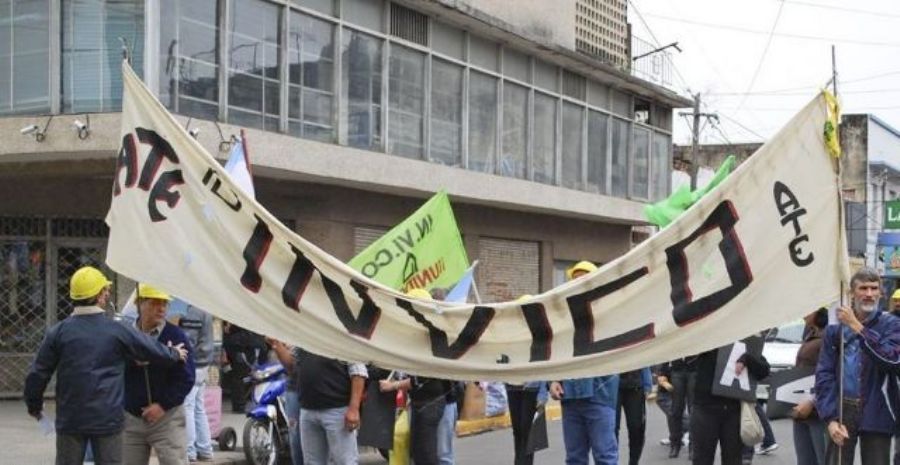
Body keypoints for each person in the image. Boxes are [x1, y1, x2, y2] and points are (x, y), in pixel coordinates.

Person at [23, 266, 188, 465]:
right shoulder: (116, 330)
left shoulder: (58, 332)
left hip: (70, 419)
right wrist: (174, 353)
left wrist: (34, 405)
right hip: (108, 419)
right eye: (105, 290)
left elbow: (38, 374)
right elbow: (149, 348)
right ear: (101, 296)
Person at [816, 267, 900, 465]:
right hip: (843, 408)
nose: (869, 294)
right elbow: (824, 374)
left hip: (878, 407)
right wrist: (830, 418)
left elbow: (893, 361)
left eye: (874, 288)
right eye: (863, 288)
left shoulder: (891, 324)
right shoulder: (835, 329)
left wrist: (857, 327)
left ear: (881, 293)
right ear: (852, 293)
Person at [549, 260, 619, 465]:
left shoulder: (610, 314)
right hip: (570, 397)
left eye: (584, 280)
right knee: (574, 459)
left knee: (605, 457)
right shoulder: (564, 319)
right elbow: (555, 352)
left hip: (600, 395)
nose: (578, 284)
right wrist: (553, 381)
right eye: (575, 280)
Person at [122, 284, 195, 465]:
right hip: (131, 417)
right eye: (155, 303)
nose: (161, 308)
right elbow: (112, 365)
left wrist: (163, 405)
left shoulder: (175, 335)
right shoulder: (126, 334)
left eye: (164, 303)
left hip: (167, 418)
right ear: (140, 304)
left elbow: (187, 378)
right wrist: (132, 360)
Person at [379, 288, 454, 465]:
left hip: (432, 401)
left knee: (428, 455)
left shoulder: (433, 336)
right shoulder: (420, 335)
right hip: (421, 401)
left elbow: (425, 377)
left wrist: (394, 386)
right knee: (419, 453)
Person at [690, 342, 770, 465]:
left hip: (733, 410)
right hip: (705, 408)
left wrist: (746, 358)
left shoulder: (741, 342)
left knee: (733, 459)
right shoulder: (705, 338)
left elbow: (764, 370)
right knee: (702, 459)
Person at [294, 346, 367, 464]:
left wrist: (354, 409)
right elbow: (292, 366)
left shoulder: (340, 337)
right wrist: (277, 345)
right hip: (308, 409)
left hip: (337, 409)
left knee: (345, 461)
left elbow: (358, 372)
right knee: (312, 463)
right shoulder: (304, 338)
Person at [178, 304, 215, 462]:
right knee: (198, 407)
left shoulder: (192, 310)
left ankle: (190, 451)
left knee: (188, 406)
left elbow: (188, 341)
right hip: (203, 362)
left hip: (194, 362)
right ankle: (205, 449)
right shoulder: (202, 304)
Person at [792, 308, 828, 465]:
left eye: (808, 309)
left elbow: (829, 374)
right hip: (801, 406)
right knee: (804, 459)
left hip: (818, 410)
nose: (804, 313)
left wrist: (813, 400)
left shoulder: (828, 336)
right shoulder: (810, 334)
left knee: (822, 458)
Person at [269, 338, 304, 465]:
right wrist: (277, 344)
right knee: (296, 437)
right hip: (295, 388)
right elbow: (291, 365)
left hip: (322, 392)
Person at [222, 322, 269, 412]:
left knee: (238, 377)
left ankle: (239, 405)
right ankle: (249, 402)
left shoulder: (237, 330)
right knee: (252, 377)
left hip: (242, 347)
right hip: (253, 346)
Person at [658, 355, 698, 458]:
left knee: (693, 411)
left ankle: (693, 447)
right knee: (675, 410)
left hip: (694, 368)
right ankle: (675, 444)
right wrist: (662, 372)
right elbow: (667, 348)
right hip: (677, 368)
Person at [615, 367, 652, 465]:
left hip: (635, 384)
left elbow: (643, 360)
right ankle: (611, 462)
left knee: (636, 428)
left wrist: (647, 384)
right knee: (611, 429)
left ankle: (634, 462)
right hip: (612, 384)